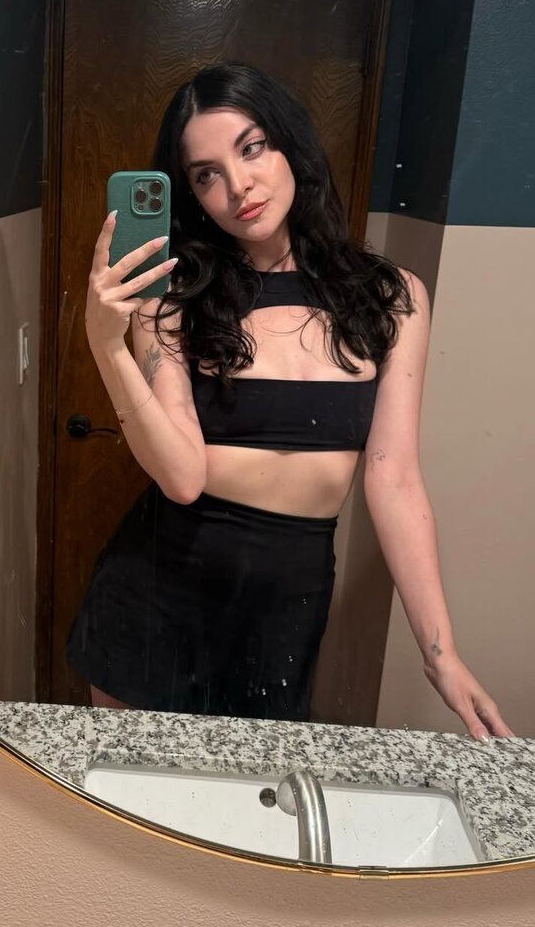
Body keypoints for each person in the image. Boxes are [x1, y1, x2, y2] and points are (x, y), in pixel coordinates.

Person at [66, 62, 512, 741]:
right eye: (206, 174)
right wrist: (108, 346)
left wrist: (440, 654)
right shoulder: (173, 299)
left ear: (290, 144)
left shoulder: (392, 297)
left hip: (286, 606)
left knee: (253, 798)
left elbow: (393, 479)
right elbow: (182, 477)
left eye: (251, 148)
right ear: (192, 194)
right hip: (154, 598)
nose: (237, 186)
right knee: (130, 795)